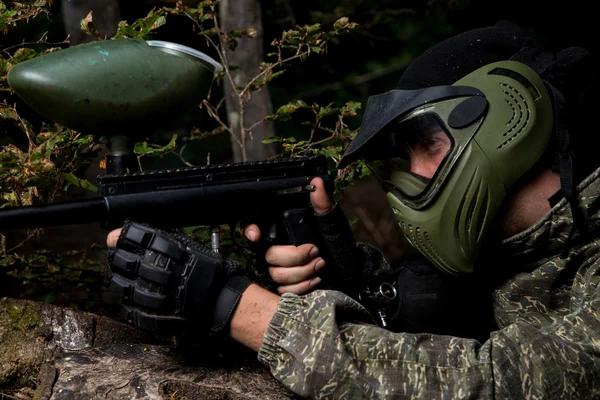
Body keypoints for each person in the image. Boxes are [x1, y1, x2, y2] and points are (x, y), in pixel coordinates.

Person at [106, 20, 600, 398]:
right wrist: (352, 281)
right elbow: (446, 319)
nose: (414, 176)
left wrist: (240, 309)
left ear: (509, 118)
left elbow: (501, 381)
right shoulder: (519, 255)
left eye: (425, 145)